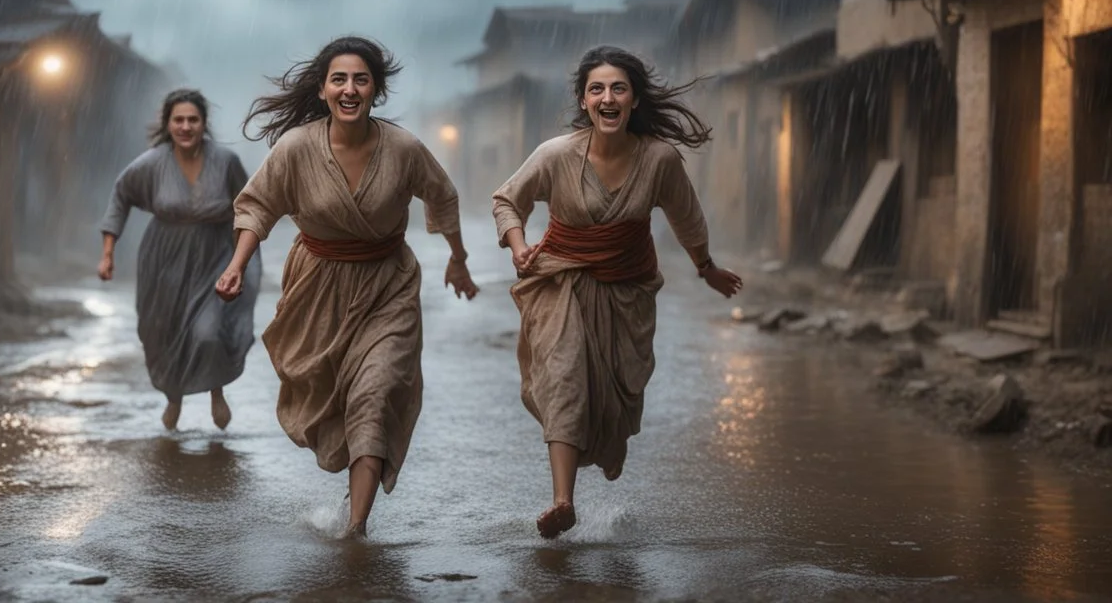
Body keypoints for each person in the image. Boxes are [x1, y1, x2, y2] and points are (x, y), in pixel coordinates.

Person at [216, 36, 479, 538]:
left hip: (389, 285)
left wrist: (459, 259)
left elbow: (443, 197)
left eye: (361, 79)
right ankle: (357, 481)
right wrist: (236, 264)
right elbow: (257, 207)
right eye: (340, 79)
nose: (350, 88)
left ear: (375, 90)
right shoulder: (296, 148)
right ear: (323, 90)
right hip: (317, 287)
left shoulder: (403, 148)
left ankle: (356, 526)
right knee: (335, 396)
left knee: (376, 393)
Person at [491, 46, 743, 539]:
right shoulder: (556, 154)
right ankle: (563, 501)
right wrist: (519, 247)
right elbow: (507, 200)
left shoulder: (659, 159)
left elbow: (686, 217)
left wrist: (706, 267)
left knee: (613, 400)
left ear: (633, 100)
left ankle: (607, 443)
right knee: (564, 379)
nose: (607, 97)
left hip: (628, 288)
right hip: (559, 281)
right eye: (597, 89)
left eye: (618, 88)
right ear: (584, 101)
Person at [99, 88, 261, 431]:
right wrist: (108, 253)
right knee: (163, 331)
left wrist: (241, 258)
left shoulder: (226, 161)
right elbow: (121, 195)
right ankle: (174, 397)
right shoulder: (152, 163)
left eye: (193, 120)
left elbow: (250, 205)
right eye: (179, 120)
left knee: (208, 332)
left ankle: (216, 390)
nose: (186, 127)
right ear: (167, 124)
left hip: (215, 254)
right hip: (164, 260)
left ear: (203, 124)